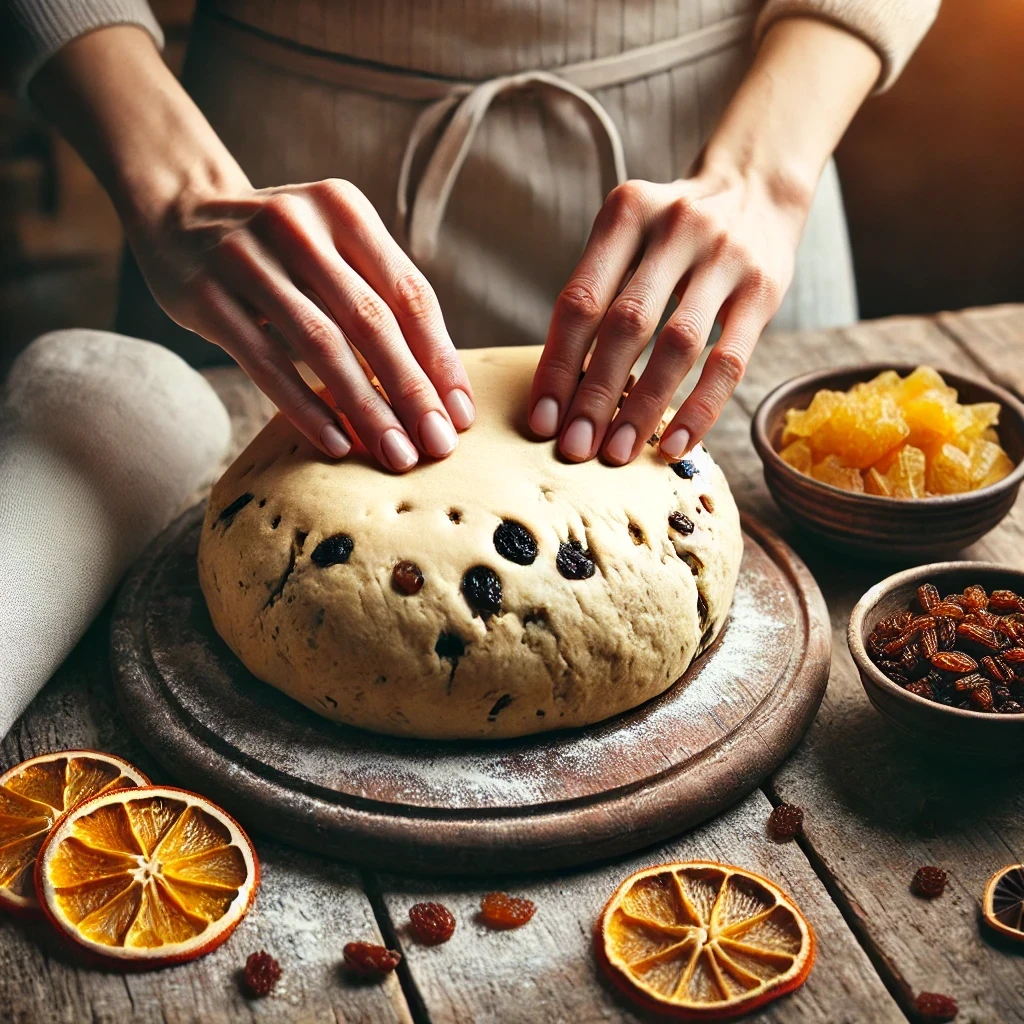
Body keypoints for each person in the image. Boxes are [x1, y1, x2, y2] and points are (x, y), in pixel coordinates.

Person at [4, 0, 938, 473]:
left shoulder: (752, 182)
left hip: (732, 174)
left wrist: (763, 177)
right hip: (256, 197)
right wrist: (174, 189)